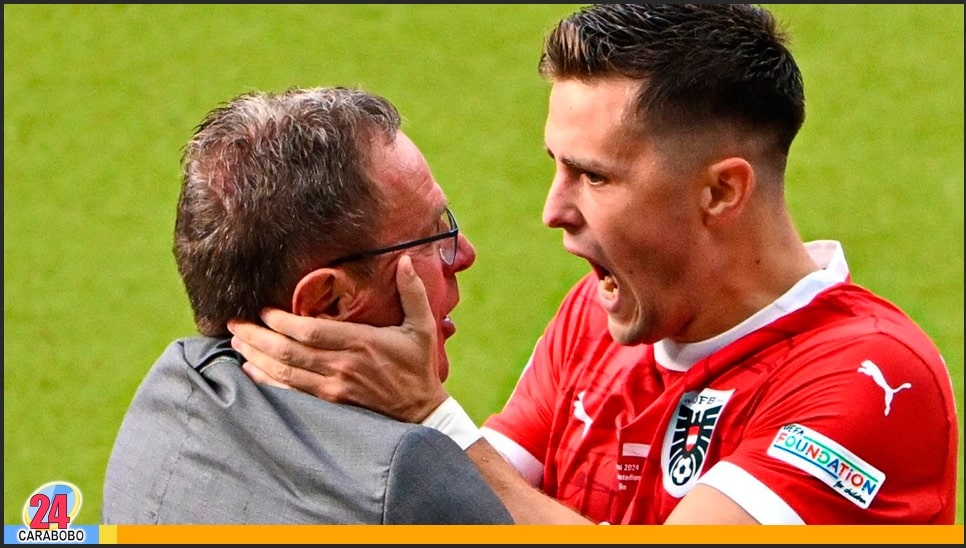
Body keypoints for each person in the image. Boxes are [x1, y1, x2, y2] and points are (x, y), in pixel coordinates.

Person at [227, 4, 959, 525]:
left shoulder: (871, 381)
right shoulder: (600, 315)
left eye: (594, 177)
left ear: (720, 190)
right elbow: (474, 505)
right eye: (556, 167)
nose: (553, 209)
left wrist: (426, 415)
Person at [101, 86, 514, 525]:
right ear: (329, 303)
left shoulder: (163, 403)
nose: (465, 254)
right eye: (434, 236)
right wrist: (435, 415)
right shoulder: (406, 481)